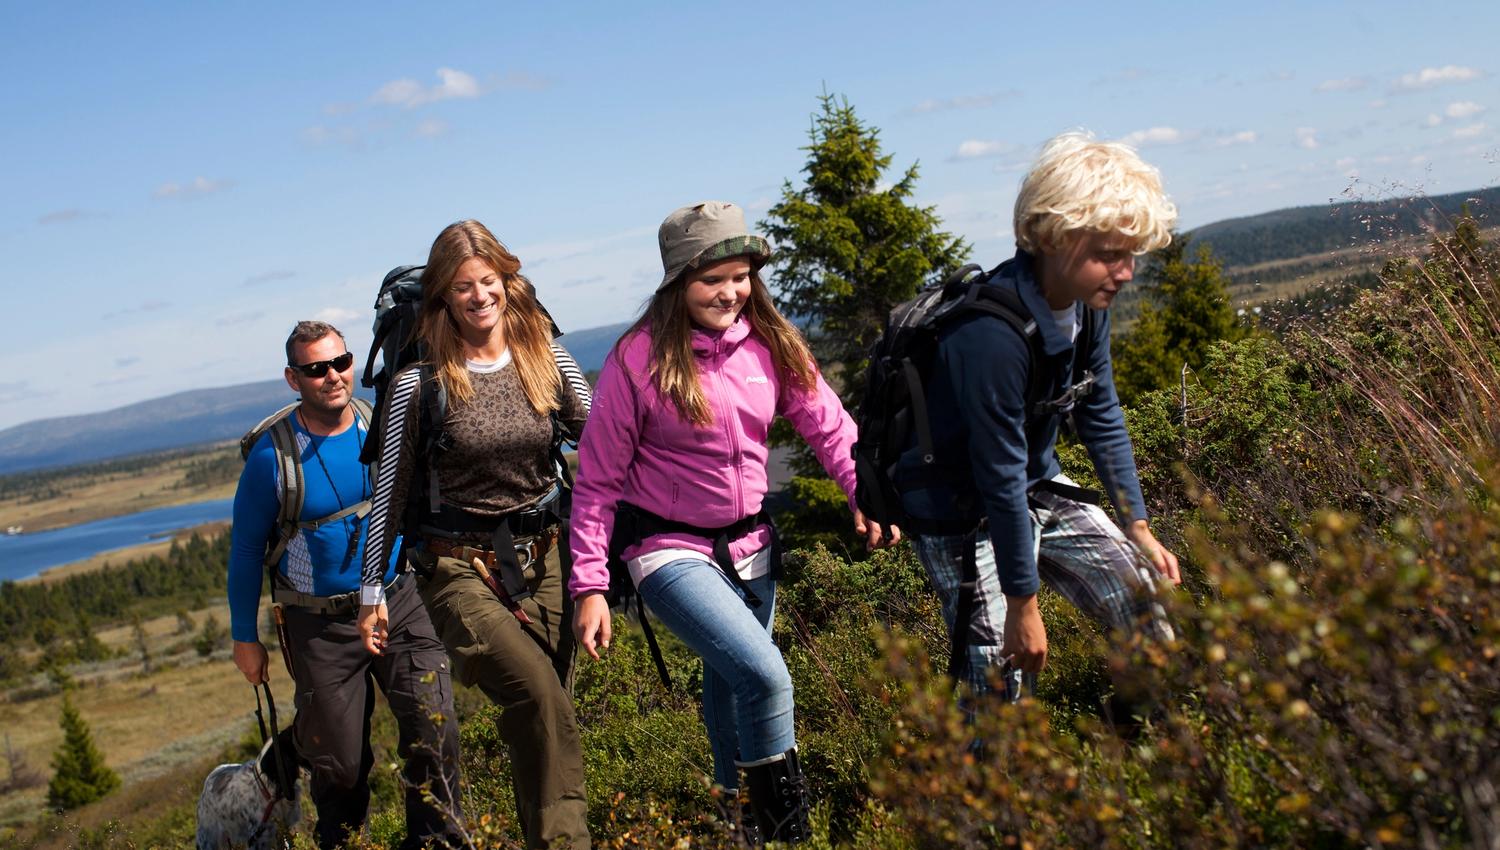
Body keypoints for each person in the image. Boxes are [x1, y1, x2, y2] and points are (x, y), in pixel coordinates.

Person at [568, 201, 895, 845]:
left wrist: (863, 490)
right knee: (766, 675)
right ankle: (787, 831)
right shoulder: (637, 359)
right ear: (678, 282)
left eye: (740, 276)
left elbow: (826, 423)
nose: (730, 292)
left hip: (750, 545)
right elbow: (598, 481)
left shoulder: (771, 343)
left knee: (730, 691)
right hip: (665, 549)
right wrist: (589, 585)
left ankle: (738, 826)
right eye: (712, 278)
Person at [896, 131, 1180, 703]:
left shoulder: (1086, 306)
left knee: (1146, 606)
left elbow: (1099, 410)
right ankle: (985, 786)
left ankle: (1162, 754)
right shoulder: (988, 336)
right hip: (959, 510)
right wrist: (1023, 607)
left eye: (1130, 255)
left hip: (1033, 483)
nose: (1124, 272)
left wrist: (1138, 525)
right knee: (998, 677)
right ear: (1052, 237)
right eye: (1108, 254)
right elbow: (995, 474)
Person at [359, 220, 593, 850]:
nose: (479, 296)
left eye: (489, 281)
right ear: (443, 297)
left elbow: (601, 437)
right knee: (541, 699)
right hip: (457, 569)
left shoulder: (547, 358)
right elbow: (390, 492)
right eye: (463, 287)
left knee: (541, 721)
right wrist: (371, 590)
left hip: (547, 559)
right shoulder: (423, 381)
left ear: (508, 283)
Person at [228, 320, 462, 850]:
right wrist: (245, 636)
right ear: (293, 379)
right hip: (320, 624)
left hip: (397, 600)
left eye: (342, 361)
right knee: (340, 765)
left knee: (436, 726)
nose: (333, 376)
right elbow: (244, 553)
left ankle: (437, 843)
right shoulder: (272, 459)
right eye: (316, 369)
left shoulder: (378, 423)